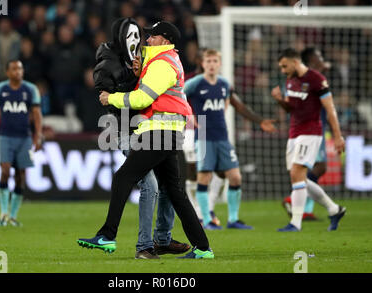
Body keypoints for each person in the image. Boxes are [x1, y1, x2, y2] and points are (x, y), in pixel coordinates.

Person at [78, 21, 214, 259]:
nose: (147, 39)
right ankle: (203, 248)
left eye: (152, 36)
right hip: (168, 130)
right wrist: (140, 73)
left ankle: (107, 236)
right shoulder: (164, 61)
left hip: (160, 131)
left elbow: (143, 98)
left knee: (124, 176)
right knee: (174, 191)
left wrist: (113, 98)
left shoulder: (162, 64)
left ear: (164, 39)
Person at [184, 49, 276, 230]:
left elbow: (237, 105)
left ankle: (233, 219)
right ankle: (206, 219)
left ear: (220, 64)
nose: (211, 64)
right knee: (203, 177)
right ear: (203, 64)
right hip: (202, 137)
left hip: (222, 137)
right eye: (208, 61)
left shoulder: (225, 84)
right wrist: (189, 117)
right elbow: (178, 98)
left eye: (214, 61)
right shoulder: (194, 83)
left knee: (235, 177)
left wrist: (260, 121)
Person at [272, 48, 346, 232]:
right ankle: (333, 209)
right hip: (294, 133)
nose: (282, 70)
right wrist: (280, 100)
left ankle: (295, 223)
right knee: (299, 177)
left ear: (295, 62)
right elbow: (291, 109)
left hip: (311, 132)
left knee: (298, 172)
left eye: (284, 66)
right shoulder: (290, 80)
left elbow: (330, 109)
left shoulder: (316, 79)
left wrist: (338, 136)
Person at [0, 60, 42, 227]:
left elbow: (37, 115)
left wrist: (38, 136)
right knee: (5, 171)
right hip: (5, 137)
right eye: (14, 69)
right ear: (7, 72)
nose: (18, 71)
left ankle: (13, 216)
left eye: (20, 68)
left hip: (24, 138)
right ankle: (3, 213)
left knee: (21, 176)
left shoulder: (30, 90)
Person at [282, 47, 331, 221]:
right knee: (317, 167)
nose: (322, 58)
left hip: (315, 127)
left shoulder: (313, 77)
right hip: (309, 128)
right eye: (318, 55)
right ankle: (294, 201)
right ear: (309, 60)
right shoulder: (305, 79)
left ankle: (306, 209)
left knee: (309, 168)